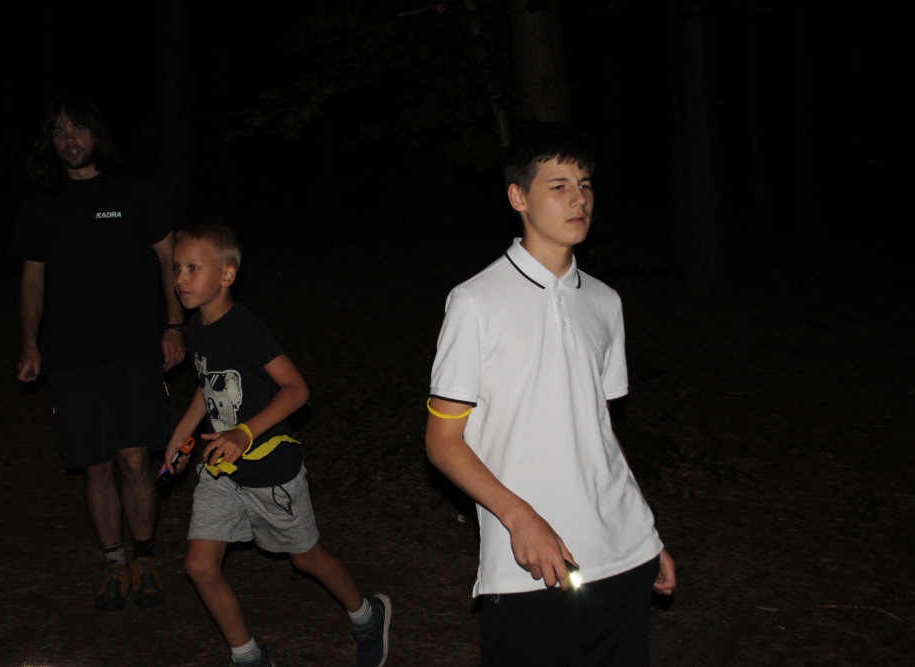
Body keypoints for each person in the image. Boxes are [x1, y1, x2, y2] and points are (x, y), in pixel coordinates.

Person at [425, 123, 676, 666]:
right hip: (531, 561)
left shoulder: (605, 302)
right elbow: (442, 442)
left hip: (621, 551)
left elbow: (601, 431)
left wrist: (645, 533)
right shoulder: (476, 301)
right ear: (519, 197)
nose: (578, 199)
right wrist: (519, 516)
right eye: (558, 186)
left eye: (585, 185)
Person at [164, 221, 390, 667]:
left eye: (192, 268)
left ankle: (368, 616)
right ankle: (248, 656)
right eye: (176, 268)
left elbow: (297, 389)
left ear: (226, 274)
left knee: (306, 559)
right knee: (199, 566)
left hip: (271, 474)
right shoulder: (197, 327)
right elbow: (207, 388)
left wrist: (245, 432)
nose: (180, 279)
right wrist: (179, 438)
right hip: (222, 471)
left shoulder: (246, 329)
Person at [11, 94, 186, 611]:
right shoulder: (41, 205)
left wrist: (174, 324)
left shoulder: (136, 193)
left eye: (79, 129)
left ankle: (146, 561)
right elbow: (33, 280)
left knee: (134, 460)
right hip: (72, 355)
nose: (70, 140)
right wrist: (30, 343)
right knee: (94, 465)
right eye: (60, 131)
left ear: (97, 135)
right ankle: (114, 564)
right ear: (50, 142)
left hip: (135, 347)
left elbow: (169, 261)